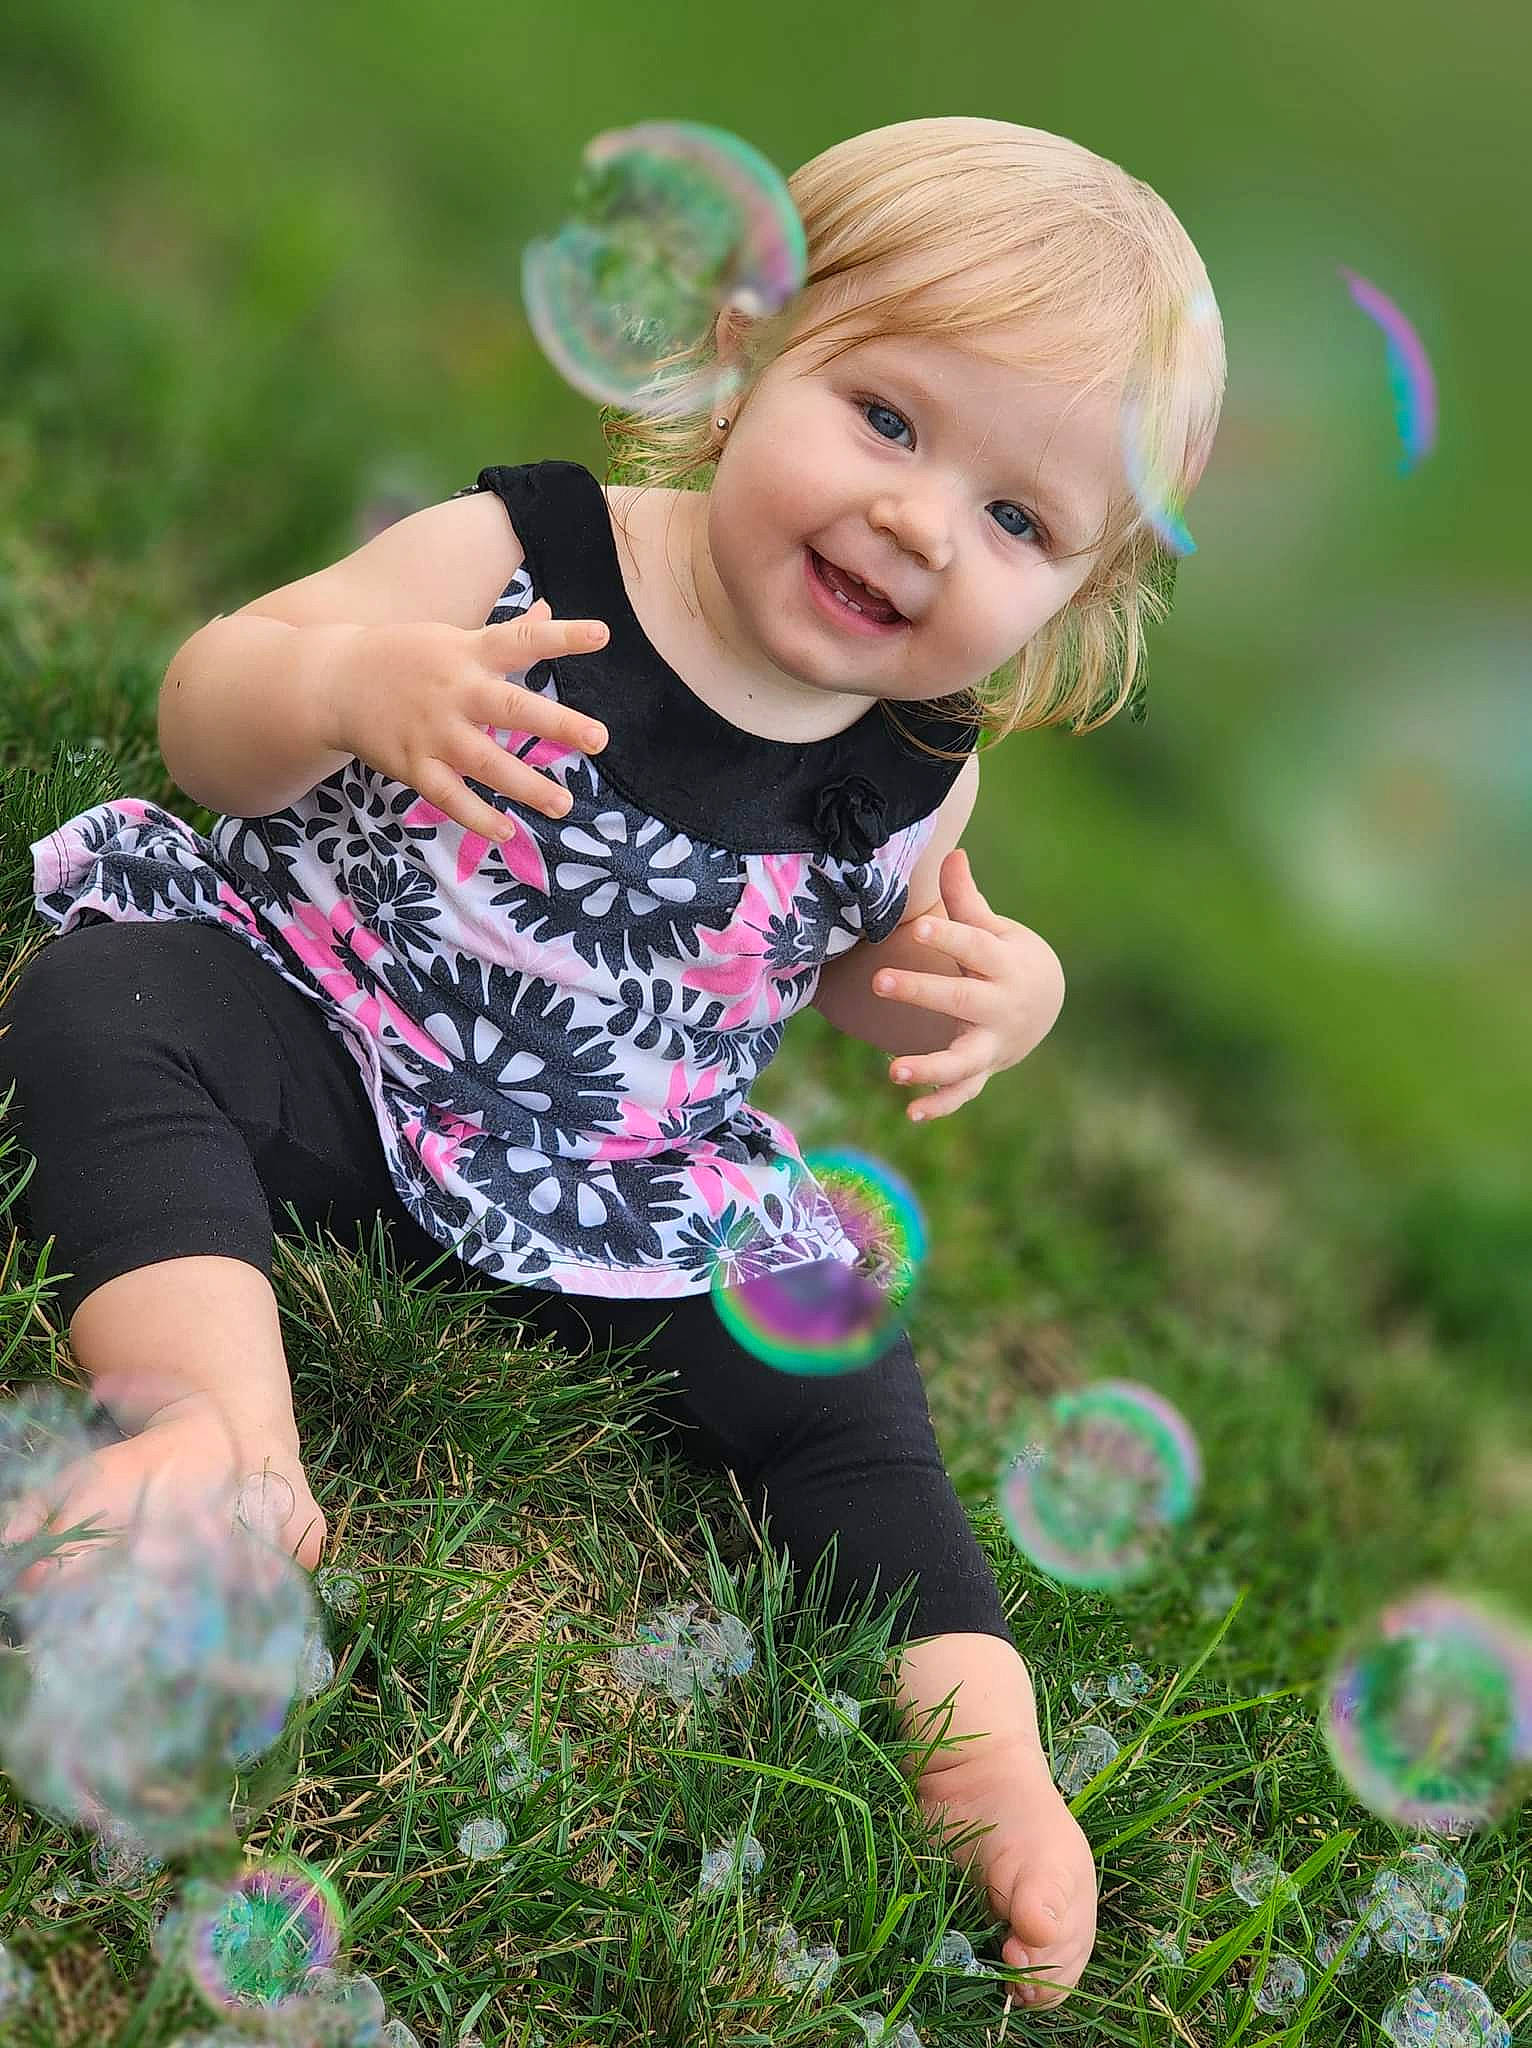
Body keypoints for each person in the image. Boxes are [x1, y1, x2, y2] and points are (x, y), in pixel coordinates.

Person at [0, 115, 1224, 2007]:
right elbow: (205, 715)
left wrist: (998, 993)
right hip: (322, 1023)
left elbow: (860, 972)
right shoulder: (521, 554)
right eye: (888, 420)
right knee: (109, 1007)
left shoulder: (916, 766)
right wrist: (344, 685)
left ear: (1079, 598)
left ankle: (984, 1747)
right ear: (746, 353)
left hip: (614, 1175)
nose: (922, 522)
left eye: (1018, 521)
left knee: (840, 1357)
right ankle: (209, 1433)